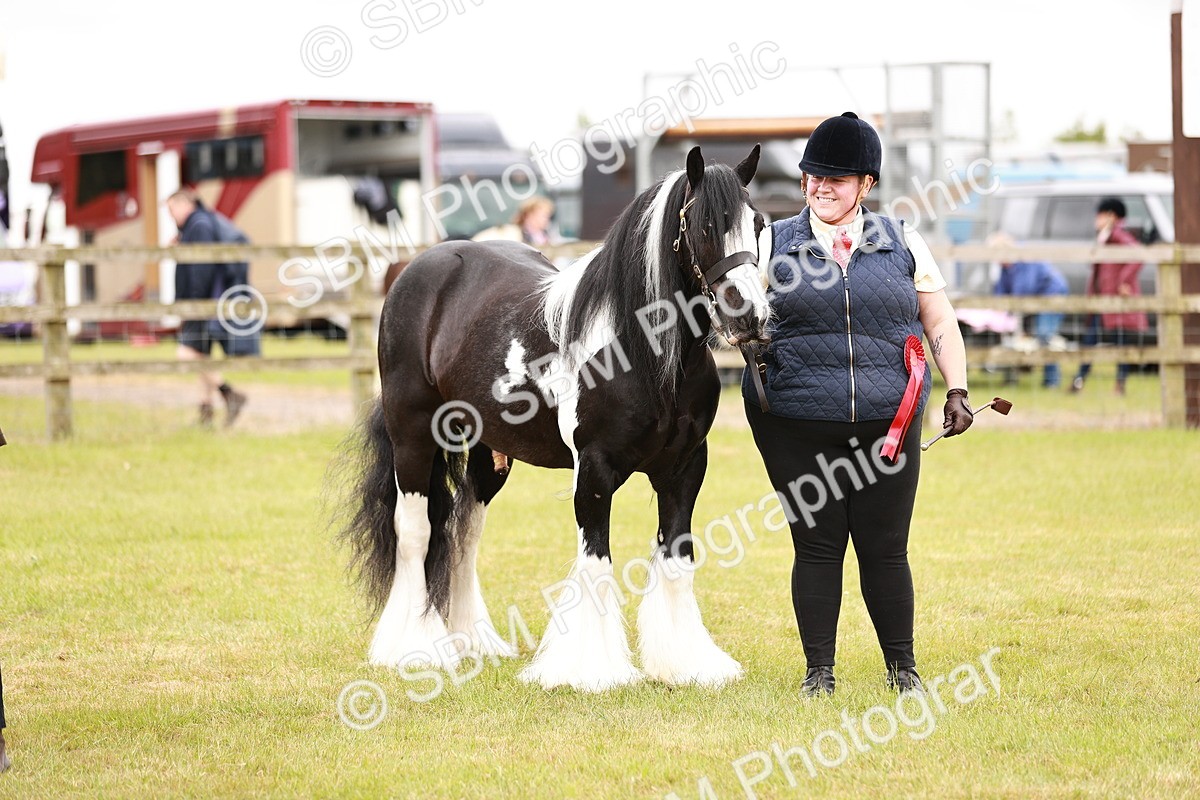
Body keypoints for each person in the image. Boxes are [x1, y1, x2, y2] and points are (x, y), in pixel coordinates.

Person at [743, 111, 973, 697]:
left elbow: (938, 317)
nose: (820, 187)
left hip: (886, 422)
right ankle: (819, 673)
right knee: (815, 546)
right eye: (812, 176)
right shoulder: (772, 242)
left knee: (885, 549)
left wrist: (958, 388)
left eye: (836, 178)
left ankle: (904, 671)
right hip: (796, 423)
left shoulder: (903, 242)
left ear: (866, 184)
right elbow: (733, 316)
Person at [165, 189, 251, 427]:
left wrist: (194, 302)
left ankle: (230, 394)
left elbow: (202, 268)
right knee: (202, 356)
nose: (171, 216)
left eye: (171, 209)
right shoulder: (197, 225)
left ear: (184, 205)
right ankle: (205, 414)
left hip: (201, 303)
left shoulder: (199, 226)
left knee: (186, 355)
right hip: (205, 302)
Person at [1071, 197, 1148, 395]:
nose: (1096, 220)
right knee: (1094, 341)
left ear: (1111, 216)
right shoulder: (1105, 237)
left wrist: (1124, 280)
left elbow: (1138, 254)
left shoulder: (1118, 234)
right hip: (1103, 302)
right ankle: (1080, 381)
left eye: (1100, 215)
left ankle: (1116, 385)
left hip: (1115, 303)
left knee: (1117, 343)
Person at [988, 231, 1069, 388]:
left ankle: (1052, 380)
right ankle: (1013, 377)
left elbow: (1024, 290)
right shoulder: (1006, 266)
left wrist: (1009, 309)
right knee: (1019, 337)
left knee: (1044, 335)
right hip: (1034, 300)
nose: (996, 261)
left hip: (1052, 295)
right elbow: (1002, 289)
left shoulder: (1024, 258)